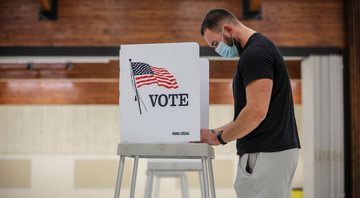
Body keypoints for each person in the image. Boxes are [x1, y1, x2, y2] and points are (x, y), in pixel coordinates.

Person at [199, 9, 301, 198]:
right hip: (271, 152)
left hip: (266, 153)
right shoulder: (258, 50)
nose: (218, 50)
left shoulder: (255, 54)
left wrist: (219, 139)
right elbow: (246, 115)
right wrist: (213, 132)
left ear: (228, 29)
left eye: (216, 44)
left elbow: (255, 113)